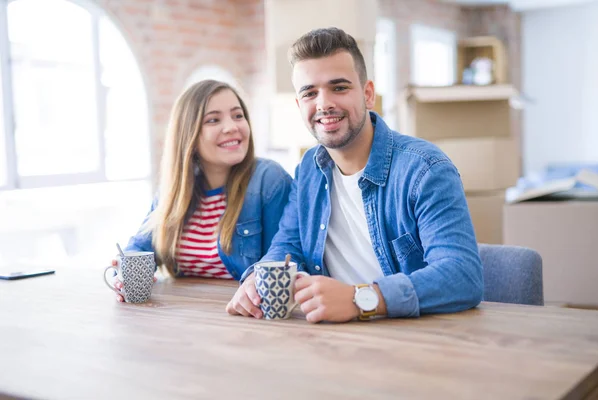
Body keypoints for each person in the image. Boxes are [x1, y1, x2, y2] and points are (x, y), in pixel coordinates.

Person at [226, 28, 483, 322]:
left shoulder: (425, 169)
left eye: (339, 87)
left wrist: (360, 299)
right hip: (334, 339)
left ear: (368, 94)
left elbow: (462, 274)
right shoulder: (310, 167)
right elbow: (289, 246)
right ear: (300, 105)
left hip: (415, 342)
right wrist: (254, 283)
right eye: (310, 93)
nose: (323, 103)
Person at [112, 80, 292, 306]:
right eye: (213, 120)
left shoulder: (269, 180)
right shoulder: (173, 189)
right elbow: (140, 247)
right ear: (189, 135)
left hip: (245, 318)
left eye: (238, 116)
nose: (232, 127)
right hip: (183, 317)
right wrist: (123, 276)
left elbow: (282, 260)